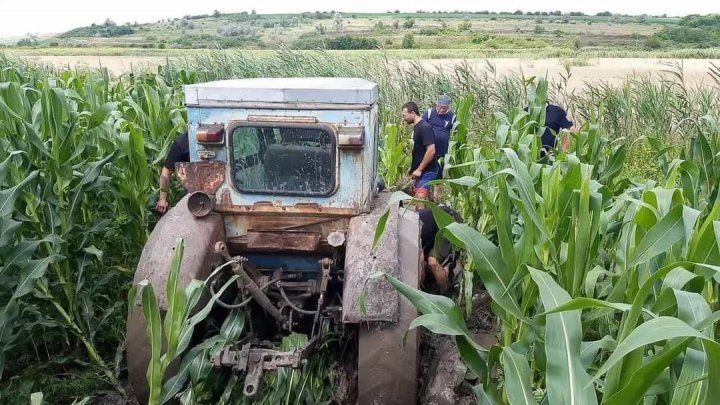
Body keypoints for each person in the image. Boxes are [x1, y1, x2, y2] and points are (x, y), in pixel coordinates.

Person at [418, 206, 463, 293]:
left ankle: (445, 292)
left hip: (450, 224)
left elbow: (429, 263)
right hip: (439, 220)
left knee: (433, 262)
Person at [422, 95, 457, 201]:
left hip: (442, 151)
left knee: (439, 173)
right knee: (427, 171)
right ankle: (425, 194)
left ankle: (437, 197)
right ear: (436, 104)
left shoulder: (452, 116)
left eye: (444, 108)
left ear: (448, 107)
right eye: (440, 107)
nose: (442, 109)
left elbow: (456, 132)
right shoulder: (429, 113)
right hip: (428, 150)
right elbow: (421, 127)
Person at [401, 101, 438, 201]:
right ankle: (422, 215)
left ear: (412, 113)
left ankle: (422, 216)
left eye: (404, 116)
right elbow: (419, 150)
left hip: (427, 171)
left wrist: (419, 169)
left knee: (420, 197)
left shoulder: (424, 128)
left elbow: (431, 150)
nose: (403, 119)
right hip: (420, 171)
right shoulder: (417, 127)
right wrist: (413, 169)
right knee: (418, 199)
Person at [156, 132, 190, 214]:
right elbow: (166, 172)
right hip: (194, 194)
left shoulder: (181, 142)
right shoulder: (182, 143)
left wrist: (163, 199)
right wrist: (162, 199)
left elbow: (165, 172)